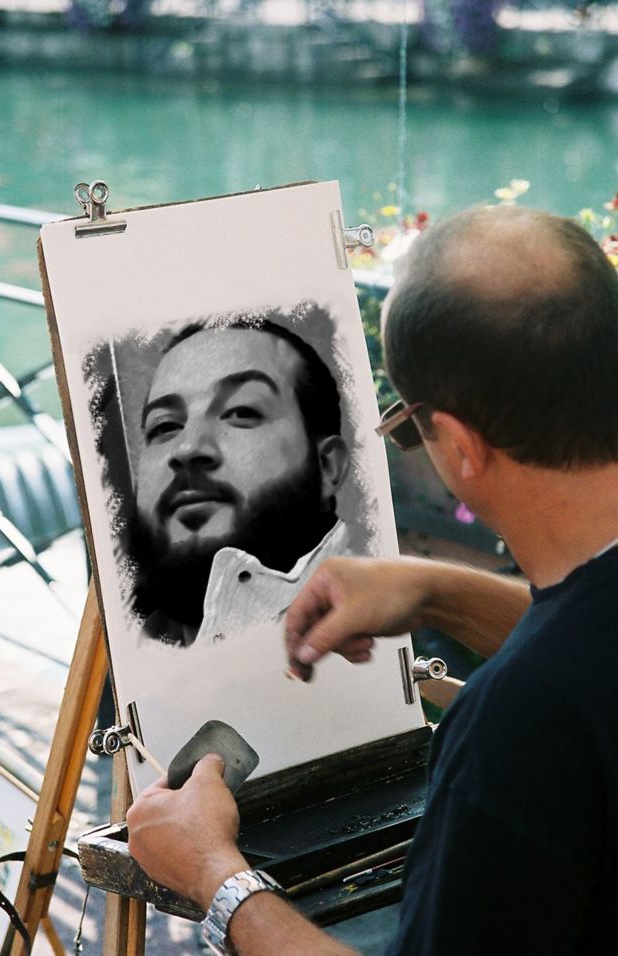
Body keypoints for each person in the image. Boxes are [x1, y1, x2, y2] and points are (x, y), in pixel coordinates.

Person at [126, 203, 618, 955]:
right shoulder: (559, 685)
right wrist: (437, 590)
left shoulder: (511, 732)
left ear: (458, 445)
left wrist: (216, 877)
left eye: (407, 427)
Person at [125, 318, 350, 647]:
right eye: (164, 426)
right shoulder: (124, 655)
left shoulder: (383, 626)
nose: (187, 448)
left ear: (328, 466)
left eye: (241, 412)